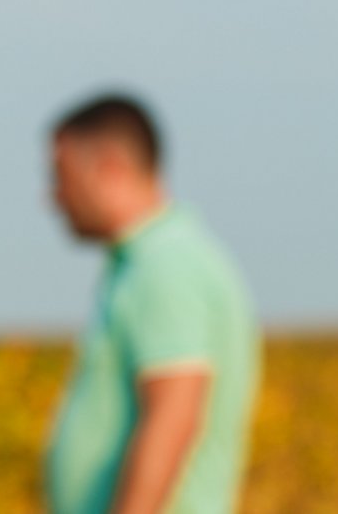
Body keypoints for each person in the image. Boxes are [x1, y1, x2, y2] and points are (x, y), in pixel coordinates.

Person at [43, 95, 260, 514]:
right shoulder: (148, 262)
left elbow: (173, 415)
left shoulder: (165, 266)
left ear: (110, 168)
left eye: (61, 175)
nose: (53, 196)